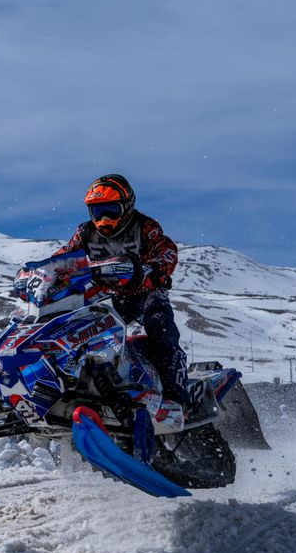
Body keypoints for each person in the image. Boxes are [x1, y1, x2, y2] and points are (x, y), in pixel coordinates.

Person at [55, 174, 193, 414]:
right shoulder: (85, 232)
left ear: (127, 207)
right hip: (107, 298)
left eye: (111, 209)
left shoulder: (145, 226)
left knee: (163, 336)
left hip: (147, 294)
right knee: (75, 334)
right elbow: (64, 257)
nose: (104, 218)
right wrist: (51, 273)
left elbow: (166, 249)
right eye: (97, 212)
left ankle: (178, 400)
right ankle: (73, 389)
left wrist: (156, 268)